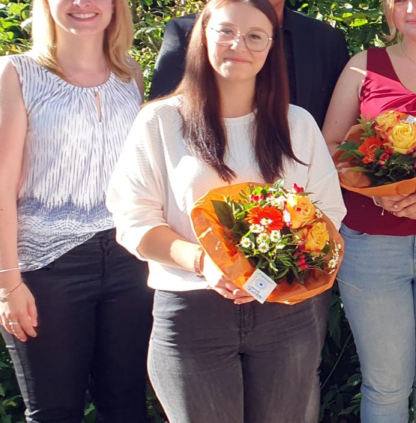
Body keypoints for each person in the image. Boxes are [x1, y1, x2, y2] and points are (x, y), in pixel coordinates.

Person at [105, 0, 345, 421]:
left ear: (271, 48)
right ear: (202, 35)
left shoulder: (298, 125)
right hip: (192, 313)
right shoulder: (160, 122)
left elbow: (327, 211)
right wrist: (205, 262)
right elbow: (134, 219)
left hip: (284, 316)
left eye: (255, 36)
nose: (240, 45)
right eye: (226, 31)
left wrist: (287, 267)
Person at [0, 0, 151, 420]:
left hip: (129, 263)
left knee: (127, 405)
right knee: (54, 411)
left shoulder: (130, 75)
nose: (82, 4)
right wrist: (6, 283)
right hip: (46, 270)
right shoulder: (17, 72)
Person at [318, 0, 416, 421]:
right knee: (385, 385)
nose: (411, 7)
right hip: (371, 249)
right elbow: (329, 146)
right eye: (397, 0)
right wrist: (374, 190)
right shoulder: (362, 66)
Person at [146, 0, 348, 128]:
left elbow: (337, 131)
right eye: (226, 32)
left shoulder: (326, 40)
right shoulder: (185, 31)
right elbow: (166, 117)